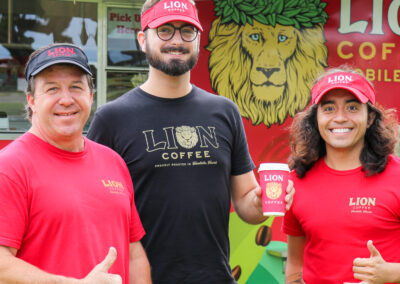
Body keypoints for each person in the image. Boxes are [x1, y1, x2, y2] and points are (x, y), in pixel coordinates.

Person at [87, 0, 294, 282]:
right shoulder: (112, 119)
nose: (177, 40)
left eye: (187, 31)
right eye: (165, 30)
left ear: (198, 40)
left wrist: (261, 202)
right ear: (142, 40)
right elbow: (91, 211)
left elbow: (246, 203)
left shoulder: (224, 112)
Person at [0, 43, 151, 283]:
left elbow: (133, 253)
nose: (66, 99)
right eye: (52, 89)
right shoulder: (10, 168)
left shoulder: (113, 162)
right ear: (31, 100)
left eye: (76, 87)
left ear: (90, 96)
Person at [283, 67, 400, 284]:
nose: (340, 118)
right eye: (328, 108)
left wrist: (392, 273)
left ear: (370, 118)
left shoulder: (397, 177)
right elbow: (295, 264)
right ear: (315, 118)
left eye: (352, 107)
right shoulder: (295, 182)